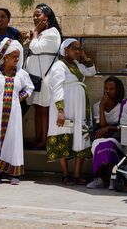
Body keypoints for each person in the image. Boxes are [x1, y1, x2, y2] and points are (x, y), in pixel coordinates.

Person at [0, 38, 34, 185]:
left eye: (18, 57)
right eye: (14, 56)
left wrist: (20, 96)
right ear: (5, 57)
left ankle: (14, 173)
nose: (17, 59)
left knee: (13, 140)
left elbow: (29, 88)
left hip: (14, 113)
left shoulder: (21, 74)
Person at [47, 39, 96, 185]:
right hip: (66, 106)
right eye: (74, 48)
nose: (77, 51)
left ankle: (76, 174)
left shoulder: (77, 65)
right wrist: (60, 111)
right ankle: (65, 174)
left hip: (79, 107)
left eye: (79, 49)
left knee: (80, 136)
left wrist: (86, 58)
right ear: (65, 50)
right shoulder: (59, 66)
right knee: (63, 134)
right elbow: (56, 88)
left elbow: (92, 71)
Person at [87, 76, 127, 189]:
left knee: (109, 144)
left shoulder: (125, 106)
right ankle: (98, 178)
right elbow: (101, 126)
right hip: (101, 138)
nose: (108, 92)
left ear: (118, 90)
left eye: (111, 89)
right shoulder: (97, 106)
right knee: (100, 145)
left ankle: (112, 178)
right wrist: (101, 107)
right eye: (106, 89)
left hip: (119, 139)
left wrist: (109, 128)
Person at [24, 3, 62, 149]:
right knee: (37, 109)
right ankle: (37, 138)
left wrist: (34, 34)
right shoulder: (41, 32)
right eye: (33, 15)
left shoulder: (52, 33)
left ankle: (44, 141)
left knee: (43, 109)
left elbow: (36, 47)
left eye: (38, 15)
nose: (35, 17)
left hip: (45, 78)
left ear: (47, 17)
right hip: (35, 77)